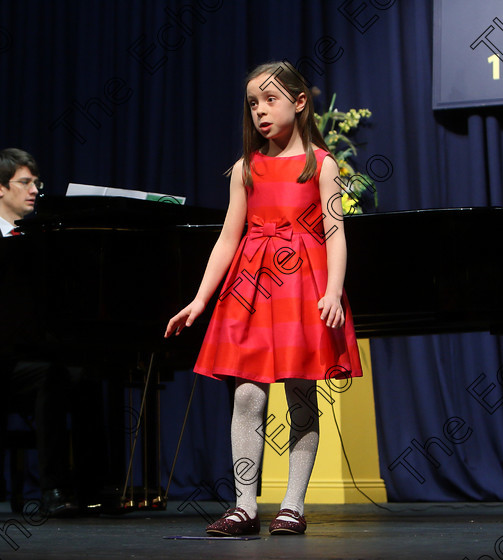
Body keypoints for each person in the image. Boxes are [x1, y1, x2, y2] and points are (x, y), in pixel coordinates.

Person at [165, 62, 363, 536]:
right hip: (249, 291)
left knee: (299, 393)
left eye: (270, 100)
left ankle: (292, 506)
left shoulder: (322, 164)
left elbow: (335, 234)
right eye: (253, 103)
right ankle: (245, 506)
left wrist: (333, 289)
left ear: (299, 102)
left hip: (300, 288)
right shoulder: (245, 169)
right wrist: (199, 299)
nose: (260, 111)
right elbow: (227, 239)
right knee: (248, 396)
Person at [0, 148, 82, 518]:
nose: (34, 190)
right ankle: (8, 488)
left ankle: (79, 488)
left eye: (36, 183)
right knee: (49, 376)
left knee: (76, 376)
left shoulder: (42, 241)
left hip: (28, 355)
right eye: (25, 183)